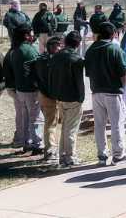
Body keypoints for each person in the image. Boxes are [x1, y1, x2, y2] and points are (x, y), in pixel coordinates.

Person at [85, 21, 126, 166]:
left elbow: (88, 73)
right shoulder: (115, 49)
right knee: (116, 124)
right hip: (113, 92)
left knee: (99, 125)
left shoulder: (90, 49)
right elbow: (123, 73)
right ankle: (118, 154)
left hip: (96, 91)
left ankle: (102, 155)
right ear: (113, 34)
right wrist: (122, 88)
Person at [49, 32, 86, 167]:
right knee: (71, 129)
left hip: (60, 97)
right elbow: (79, 81)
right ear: (78, 44)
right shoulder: (76, 58)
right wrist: (81, 97)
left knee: (65, 127)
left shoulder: (56, 56)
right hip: (73, 98)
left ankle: (63, 155)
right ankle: (70, 157)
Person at [6, 26, 43, 154]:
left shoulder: (15, 50)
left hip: (20, 89)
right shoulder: (29, 50)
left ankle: (26, 142)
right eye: (31, 34)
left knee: (25, 117)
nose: (33, 36)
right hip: (31, 89)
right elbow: (38, 67)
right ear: (26, 36)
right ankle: (37, 144)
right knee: (36, 118)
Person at [32, 36, 62, 161]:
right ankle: (50, 150)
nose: (60, 48)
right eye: (58, 46)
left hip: (42, 94)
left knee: (51, 122)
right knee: (51, 123)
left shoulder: (40, 60)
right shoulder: (53, 62)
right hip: (50, 95)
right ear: (53, 47)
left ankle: (52, 147)